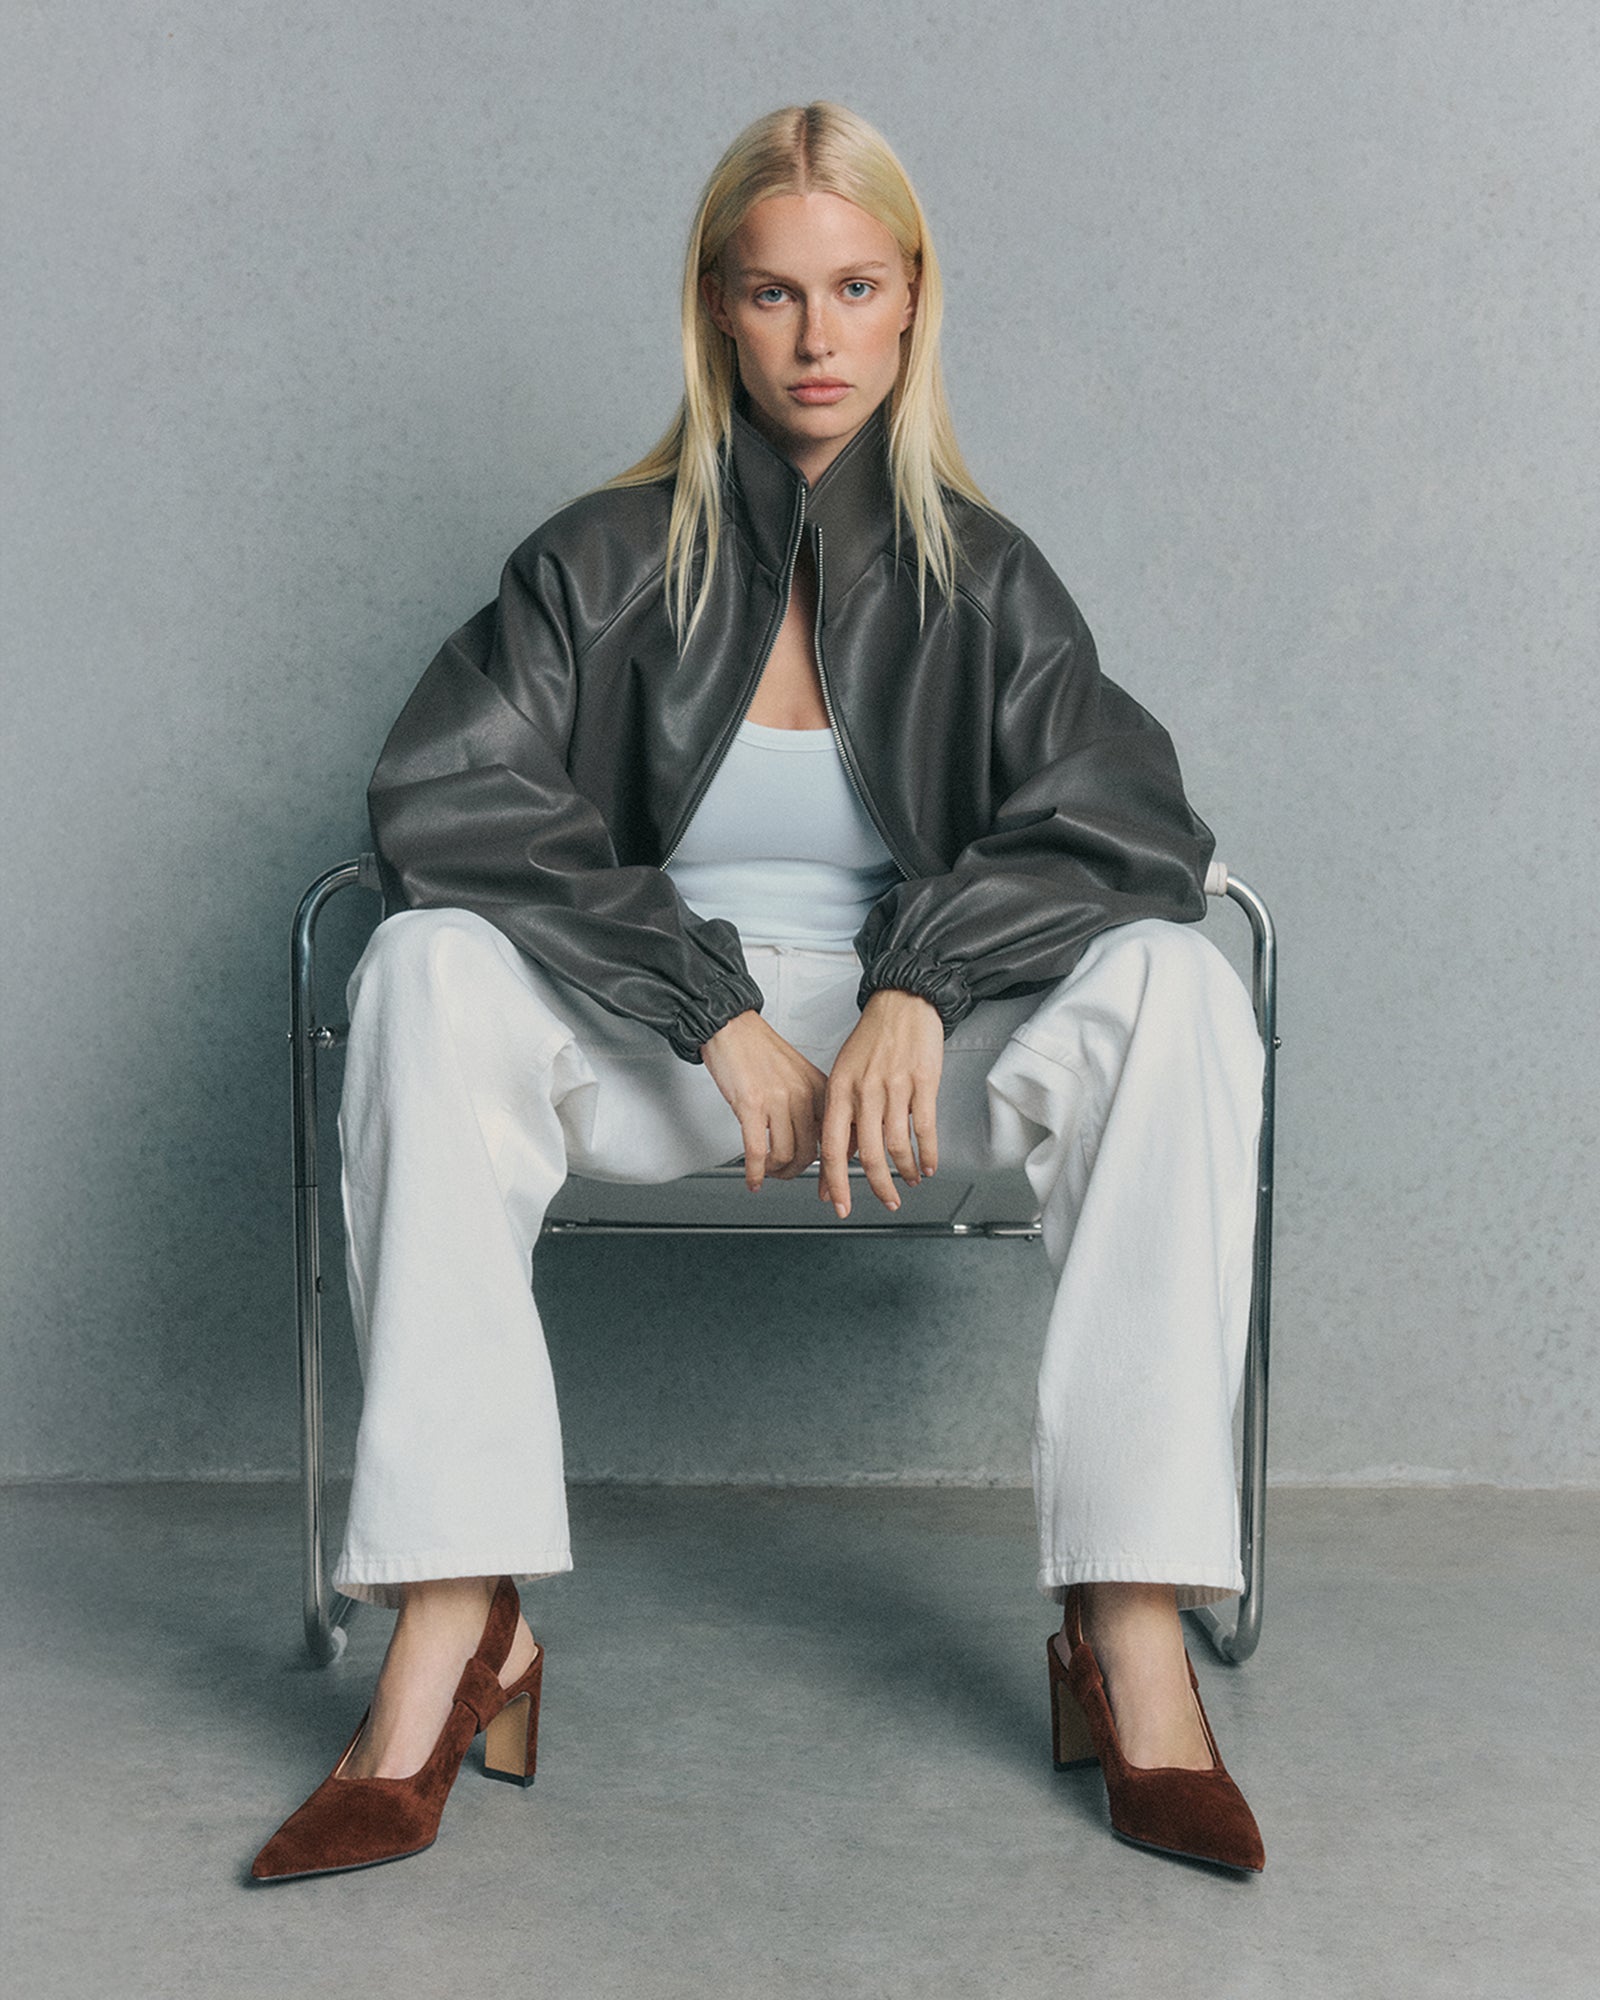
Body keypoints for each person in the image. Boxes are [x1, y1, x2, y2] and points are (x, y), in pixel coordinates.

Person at [250, 101, 1266, 1884]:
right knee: (418, 964)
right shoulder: (594, 562)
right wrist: (707, 1006)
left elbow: (1128, 823)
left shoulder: (986, 579)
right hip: (666, 1052)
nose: (817, 338)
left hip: (903, 1068)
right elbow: (447, 799)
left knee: (1178, 985)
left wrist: (924, 984)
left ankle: (1128, 1628)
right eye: (774, 291)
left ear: (911, 298)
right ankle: (455, 1621)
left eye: (855, 287)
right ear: (716, 306)